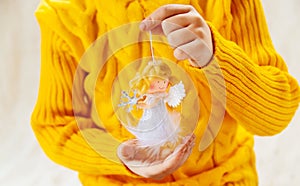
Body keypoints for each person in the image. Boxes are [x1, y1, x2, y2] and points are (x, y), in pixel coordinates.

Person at [31, 0, 300, 185]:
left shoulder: (225, 4)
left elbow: (276, 116)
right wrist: (119, 157)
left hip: (225, 179)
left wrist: (216, 56)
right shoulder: (64, 16)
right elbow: (54, 127)